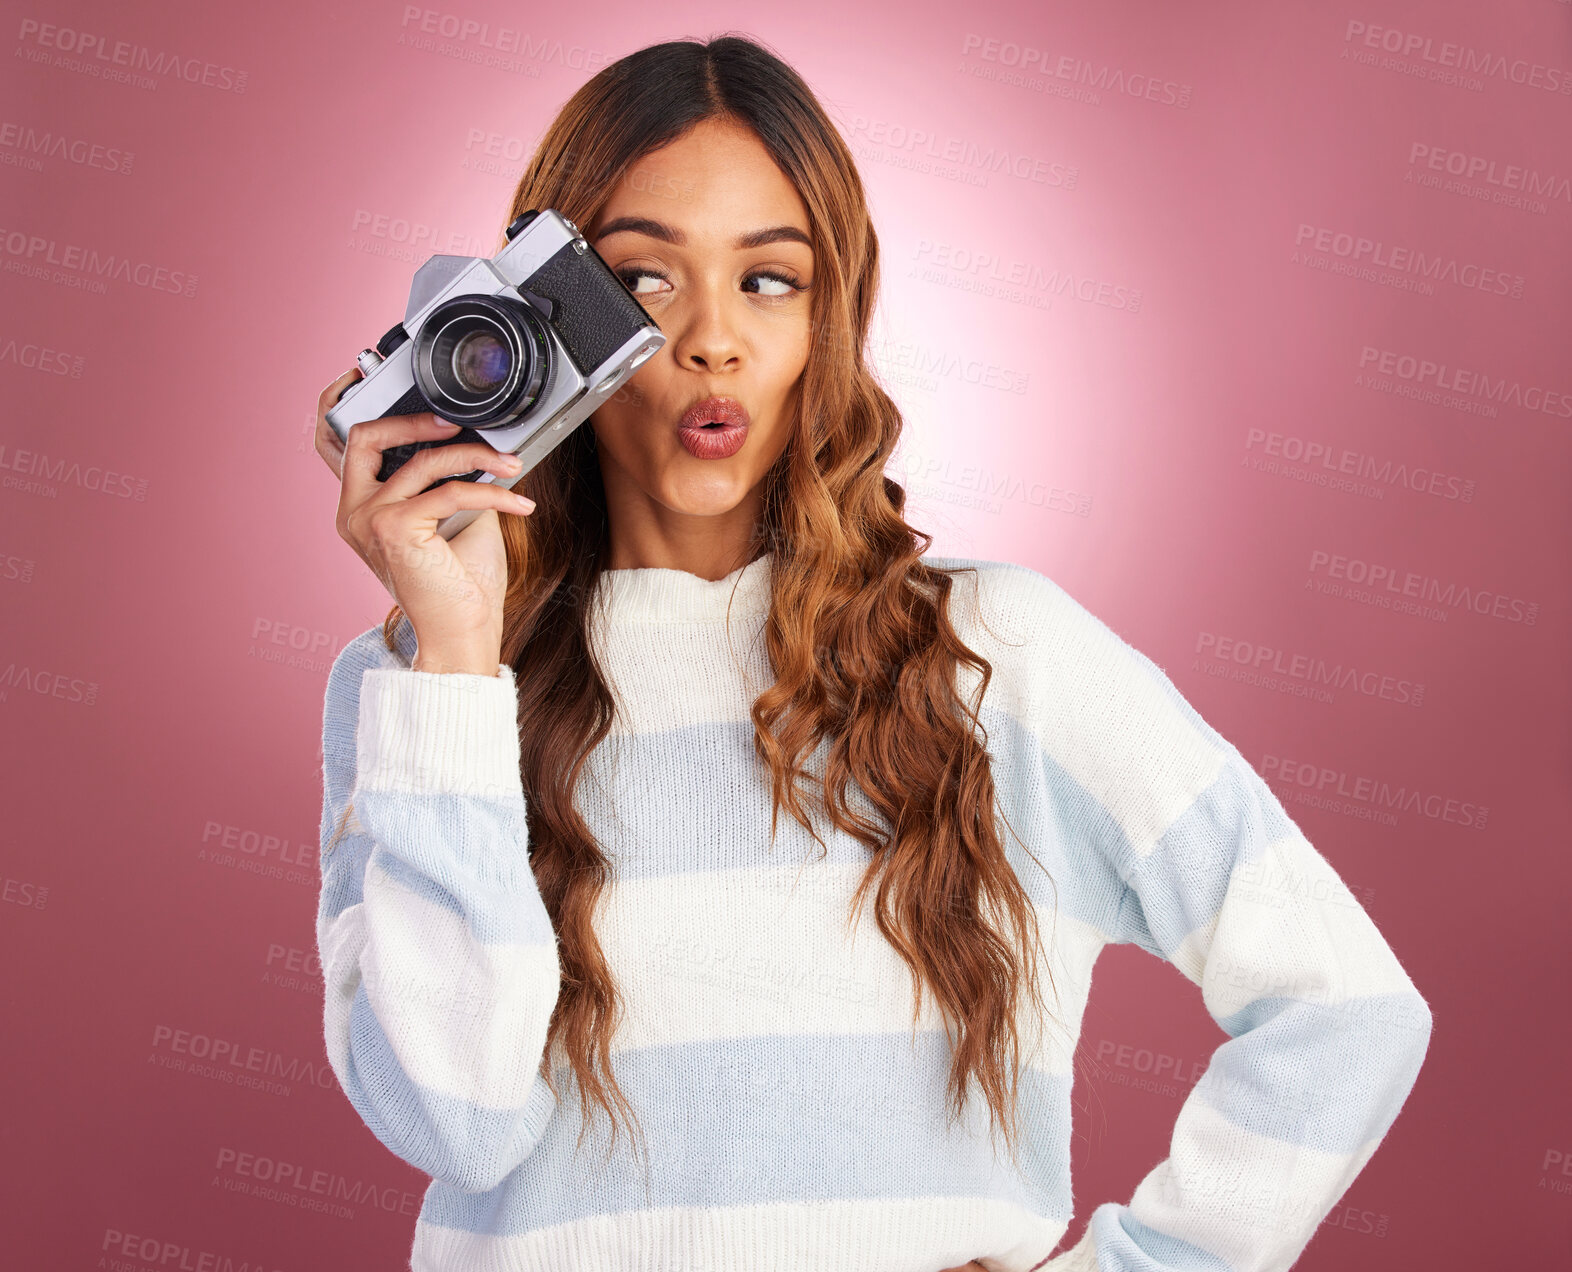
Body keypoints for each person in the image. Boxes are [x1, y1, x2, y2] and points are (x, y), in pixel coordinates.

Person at [310, 34, 1433, 1272]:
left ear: (834, 312)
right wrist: (461, 650)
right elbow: (452, 1123)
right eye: (641, 281)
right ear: (542, 319)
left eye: (770, 280)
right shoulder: (422, 691)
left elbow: (1347, 1009)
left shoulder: (1000, 653)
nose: (712, 341)